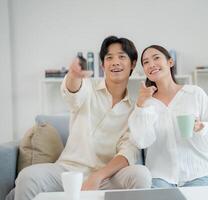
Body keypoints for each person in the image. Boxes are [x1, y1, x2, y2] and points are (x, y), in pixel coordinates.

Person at [10, 36, 151, 200]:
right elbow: (73, 94)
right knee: (28, 176)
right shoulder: (87, 87)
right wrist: (74, 76)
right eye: (109, 58)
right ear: (102, 65)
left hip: (108, 177)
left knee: (141, 174)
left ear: (133, 64)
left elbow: (128, 151)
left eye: (121, 57)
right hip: (69, 171)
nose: (115, 62)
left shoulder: (135, 110)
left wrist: (98, 176)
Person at [128, 45, 208, 188]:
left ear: (170, 62)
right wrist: (141, 105)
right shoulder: (145, 103)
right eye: (146, 62)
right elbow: (141, 141)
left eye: (156, 58)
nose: (151, 64)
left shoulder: (195, 93)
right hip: (160, 175)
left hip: (199, 171)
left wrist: (201, 128)